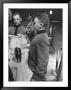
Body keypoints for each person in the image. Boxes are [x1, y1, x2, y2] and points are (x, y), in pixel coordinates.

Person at [28, 13, 50, 81]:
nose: (33, 25)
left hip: (34, 74)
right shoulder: (41, 35)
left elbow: (43, 62)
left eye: (34, 23)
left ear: (41, 24)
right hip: (32, 69)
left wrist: (36, 78)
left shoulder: (41, 39)